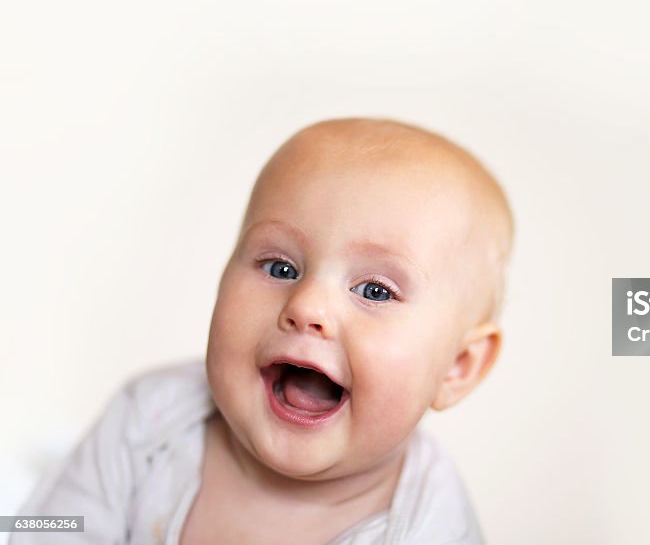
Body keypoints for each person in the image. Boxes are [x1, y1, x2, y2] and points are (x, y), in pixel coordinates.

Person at [14, 118, 514, 544]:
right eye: (279, 268)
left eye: (376, 291)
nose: (307, 305)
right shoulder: (149, 421)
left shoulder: (429, 525)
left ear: (457, 366)